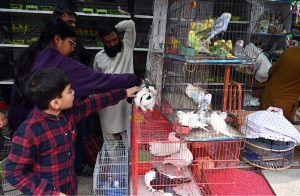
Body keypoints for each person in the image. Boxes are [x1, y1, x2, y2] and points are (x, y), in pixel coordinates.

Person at [7, 18, 141, 147]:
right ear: (57, 40)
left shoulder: (33, 56)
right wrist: (135, 79)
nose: (73, 48)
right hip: (39, 142)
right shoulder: (62, 65)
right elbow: (102, 82)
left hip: (20, 130)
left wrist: (124, 92)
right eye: (71, 43)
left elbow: (89, 104)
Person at [4, 68, 140, 195]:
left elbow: (94, 102)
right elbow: (13, 172)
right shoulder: (29, 131)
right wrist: (51, 193)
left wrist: (124, 93)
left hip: (69, 187)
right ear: (55, 103)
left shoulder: (67, 113)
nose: (74, 92)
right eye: (69, 91)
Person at [53, 6, 94, 176]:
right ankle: (63, 169)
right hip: (56, 105)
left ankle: (77, 166)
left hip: (75, 101)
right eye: (68, 22)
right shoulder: (47, 48)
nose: (72, 26)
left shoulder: (75, 46)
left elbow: (85, 61)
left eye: (74, 23)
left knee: (77, 134)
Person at [93, 20, 135, 151]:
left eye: (114, 39)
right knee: (111, 146)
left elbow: (130, 24)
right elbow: (95, 82)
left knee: (130, 145)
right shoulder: (99, 57)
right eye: (108, 41)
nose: (112, 44)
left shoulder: (127, 47)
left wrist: (112, 27)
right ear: (103, 42)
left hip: (126, 107)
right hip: (107, 109)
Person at [260, 46, 300, 121]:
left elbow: (271, 71)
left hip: (269, 95)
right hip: (286, 105)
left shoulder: (290, 50)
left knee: (261, 124)